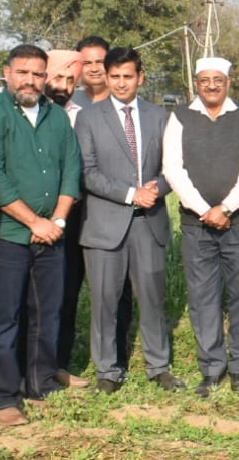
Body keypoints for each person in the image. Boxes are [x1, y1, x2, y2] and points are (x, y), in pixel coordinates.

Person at [0, 44, 81, 427]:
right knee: (6, 315)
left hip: (53, 234)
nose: (31, 81)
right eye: (23, 72)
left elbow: (71, 170)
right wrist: (32, 222)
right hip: (6, 235)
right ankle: (4, 395)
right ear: (7, 73)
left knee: (46, 310)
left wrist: (57, 221)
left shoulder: (56, 117)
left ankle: (40, 381)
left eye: (39, 74)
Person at [74, 47, 183, 394]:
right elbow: (87, 172)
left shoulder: (159, 116)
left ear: (141, 78)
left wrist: (158, 188)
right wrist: (128, 193)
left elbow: (173, 168)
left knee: (152, 297)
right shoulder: (89, 118)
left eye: (128, 76)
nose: (121, 83)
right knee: (105, 300)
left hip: (148, 222)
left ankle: (159, 366)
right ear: (106, 77)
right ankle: (107, 371)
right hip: (104, 223)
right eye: (115, 76)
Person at [162, 57, 239, 397]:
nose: (211, 86)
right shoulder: (180, 117)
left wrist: (227, 207)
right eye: (204, 80)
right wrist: (207, 210)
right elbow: (173, 169)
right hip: (196, 224)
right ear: (195, 83)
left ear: (228, 82)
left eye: (217, 80)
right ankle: (211, 368)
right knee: (202, 296)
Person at [40, 49, 95, 389]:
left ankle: (56, 363)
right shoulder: (29, 112)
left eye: (69, 80)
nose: (62, 86)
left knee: (66, 293)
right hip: (28, 216)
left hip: (72, 217)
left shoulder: (82, 116)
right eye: (57, 78)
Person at [70, 35, 110, 108]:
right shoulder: (69, 102)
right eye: (87, 63)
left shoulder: (125, 101)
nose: (94, 69)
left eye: (99, 62)